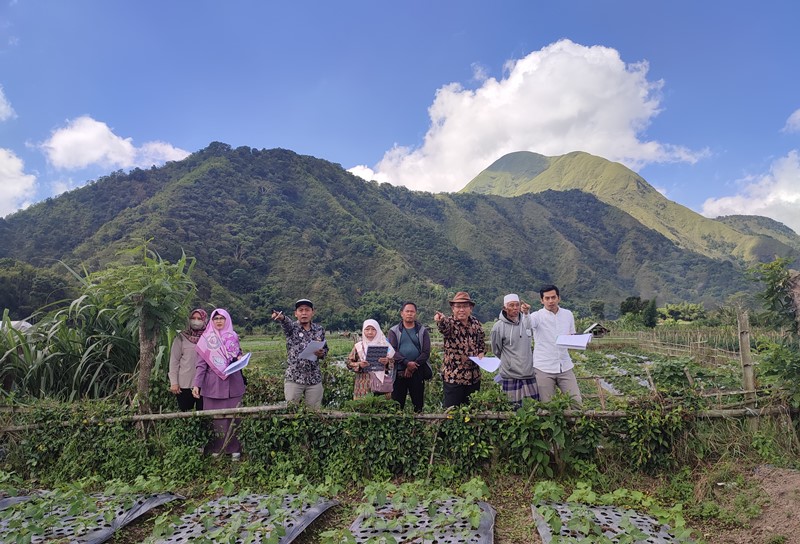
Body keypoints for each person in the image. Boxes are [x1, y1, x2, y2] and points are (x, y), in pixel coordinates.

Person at [192, 308, 246, 459]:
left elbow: (238, 354)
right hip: (212, 386)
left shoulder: (233, 336)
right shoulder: (206, 339)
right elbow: (201, 365)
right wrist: (197, 384)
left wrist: (241, 358)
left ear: (227, 319)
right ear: (211, 321)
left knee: (235, 418)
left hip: (233, 383)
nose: (219, 321)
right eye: (216, 319)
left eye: (222, 318)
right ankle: (217, 450)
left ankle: (235, 449)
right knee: (216, 420)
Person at [527, 285, 582, 405]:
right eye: (547, 298)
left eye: (553, 297)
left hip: (565, 366)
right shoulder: (537, 316)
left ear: (558, 298)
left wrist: (581, 340)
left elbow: (571, 335)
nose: (550, 301)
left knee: (576, 402)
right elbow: (527, 324)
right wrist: (526, 313)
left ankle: (574, 424)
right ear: (542, 300)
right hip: (543, 367)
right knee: (548, 405)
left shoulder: (568, 314)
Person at [272, 299, 328, 409]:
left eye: (307, 310)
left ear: (312, 312)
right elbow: (285, 322)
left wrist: (321, 353)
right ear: (295, 313)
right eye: (300, 310)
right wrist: (282, 318)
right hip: (294, 378)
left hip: (314, 379)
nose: (304, 313)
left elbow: (325, 349)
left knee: (314, 413)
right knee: (292, 411)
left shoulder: (319, 329)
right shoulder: (292, 328)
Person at [434, 291, 486, 408]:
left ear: (470, 308)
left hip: (474, 378)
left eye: (464, 306)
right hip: (454, 378)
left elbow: (481, 343)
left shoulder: (476, 324)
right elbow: (444, 327)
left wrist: (481, 353)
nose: (461, 310)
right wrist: (440, 320)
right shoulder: (450, 324)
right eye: (458, 306)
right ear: (453, 308)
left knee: (472, 412)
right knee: (451, 413)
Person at [490, 294, 538, 409]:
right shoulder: (498, 327)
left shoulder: (527, 323)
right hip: (510, 374)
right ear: (504, 308)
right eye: (511, 305)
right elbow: (496, 350)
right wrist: (509, 361)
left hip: (529, 373)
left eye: (517, 305)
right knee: (511, 410)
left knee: (534, 409)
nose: (515, 308)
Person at [388, 301, 431, 412]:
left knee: (418, 404)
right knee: (397, 404)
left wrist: (413, 366)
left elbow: (426, 352)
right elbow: (393, 350)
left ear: (415, 314)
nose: (409, 314)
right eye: (407, 311)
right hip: (399, 372)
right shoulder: (394, 331)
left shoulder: (422, 331)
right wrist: (407, 363)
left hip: (417, 371)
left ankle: (418, 428)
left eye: (412, 311)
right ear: (402, 313)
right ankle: (398, 427)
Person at [168, 308, 207, 411]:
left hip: (205, 384)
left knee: (204, 416)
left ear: (204, 320)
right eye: (193, 318)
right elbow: (174, 361)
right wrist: (174, 382)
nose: (196, 321)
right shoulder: (181, 337)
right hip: (184, 384)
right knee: (185, 414)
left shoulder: (209, 337)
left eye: (199, 318)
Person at [347, 319, 396, 399]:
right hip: (363, 384)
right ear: (363, 330)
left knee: (381, 407)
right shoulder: (358, 346)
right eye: (367, 329)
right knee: (363, 407)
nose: (370, 332)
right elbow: (349, 363)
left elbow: (392, 363)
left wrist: (387, 361)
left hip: (381, 384)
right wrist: (359, 364)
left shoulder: (385, 345)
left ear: (378, 331)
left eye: (373, 329)